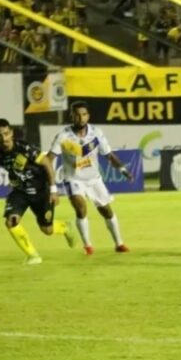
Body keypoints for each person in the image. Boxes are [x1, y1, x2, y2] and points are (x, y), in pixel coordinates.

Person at [0, 119, 76, 264]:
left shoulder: (24, 148)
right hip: (19, 191)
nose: (4, 138)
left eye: (6, 134)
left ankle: (64, 227)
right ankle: (33, 256)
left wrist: (53, 190)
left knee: (47, 230)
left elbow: (46, 163)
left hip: (40, 191)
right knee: (11, 221)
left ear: (11, 133)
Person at [47, 102, 132, 255]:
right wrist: (50, 185)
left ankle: (119, 243)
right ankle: (88, 246)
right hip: (73, 179)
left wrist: (122, 169)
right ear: (71, 116)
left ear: (88, 116)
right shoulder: (63, 136)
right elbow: (49, 158)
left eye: (84, 114)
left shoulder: (96, 133)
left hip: (94, 179)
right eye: (77, 114)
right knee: (81, 208)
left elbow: (109, 155)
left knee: (107, 212)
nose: (81, 118)